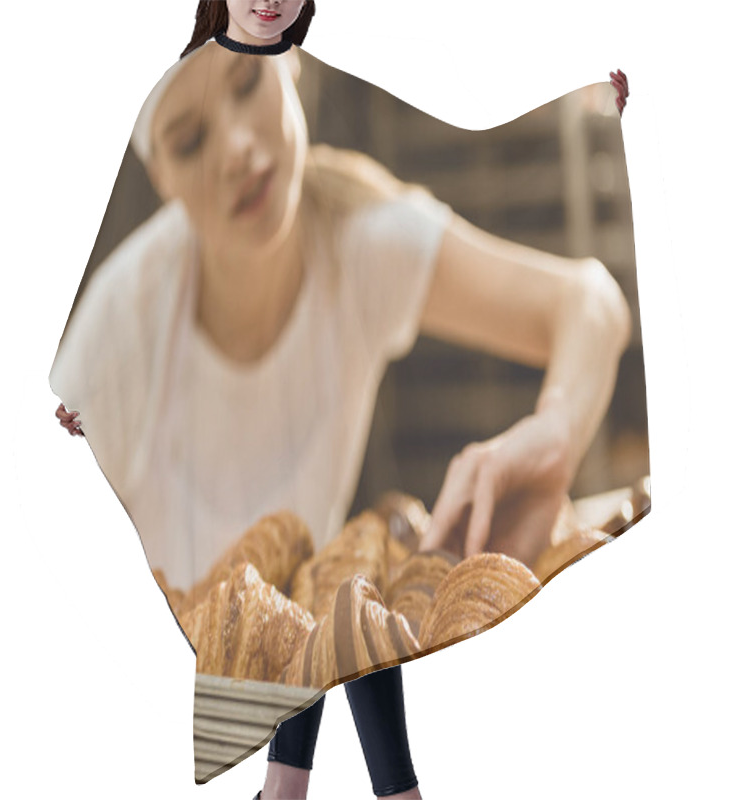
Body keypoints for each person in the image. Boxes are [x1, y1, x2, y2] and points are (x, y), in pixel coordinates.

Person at [52, 2, 633, 798]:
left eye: (248, 88)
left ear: (291, 65)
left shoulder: (358, 244)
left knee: (330, 624)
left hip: (297, 650)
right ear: (162, 176)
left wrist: (557, 431)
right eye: (191, 140)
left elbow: (591, 303)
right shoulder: (118, 335)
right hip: (159, 685)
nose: (240, 150)